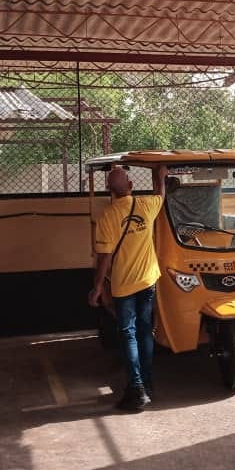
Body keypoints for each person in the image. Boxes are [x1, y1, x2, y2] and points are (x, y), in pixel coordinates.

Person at [89, 165, 167, 411]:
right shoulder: (146, 205)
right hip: (148, 281)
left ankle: (136, 389)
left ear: (108, 190)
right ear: (131, 186)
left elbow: (104, 258)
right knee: (145, 331)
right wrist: (161, 176)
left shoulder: (107, 217)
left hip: (124, 286)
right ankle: (149, 382)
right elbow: (161, 194)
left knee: (128, 334)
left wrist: (98, 288)